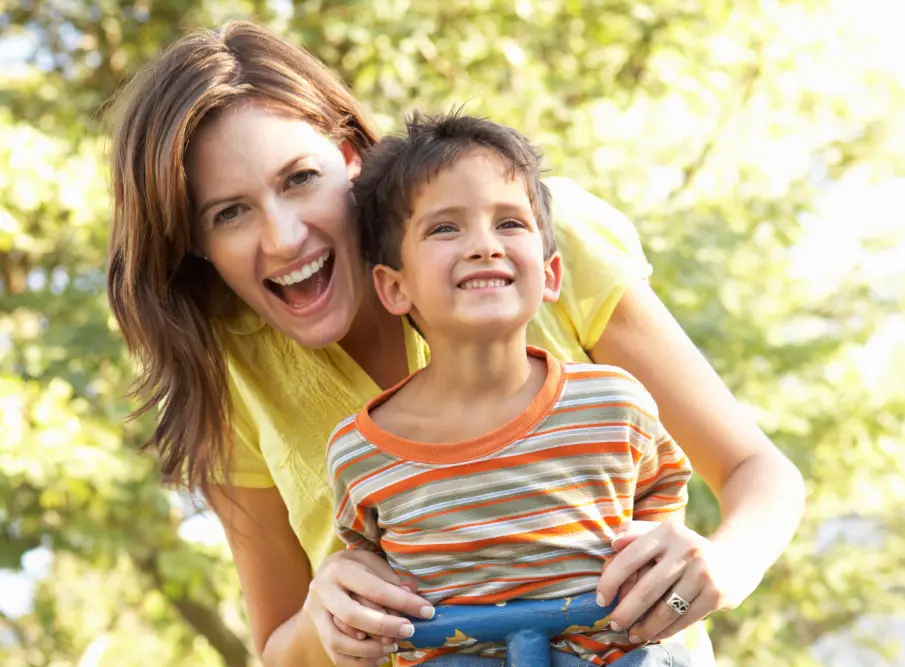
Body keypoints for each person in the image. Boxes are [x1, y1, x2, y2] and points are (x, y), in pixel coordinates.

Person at [106, 19, 805, 667]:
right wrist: (323, 622)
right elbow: (277, 644)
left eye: (301, 178)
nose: (284, 237)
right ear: (195, 245)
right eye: (230, 213)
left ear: (349, 156)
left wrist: (728, 562)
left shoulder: (521, 243)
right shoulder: (230, 372)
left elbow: (755, 469)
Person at [326, 110, 694, 667]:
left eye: (510, 224)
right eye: (445, 227)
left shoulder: (614, 405)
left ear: (549, 275)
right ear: (395, 287)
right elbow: (370, 575)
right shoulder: (360, 453)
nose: (484, 246)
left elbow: (663, 513)